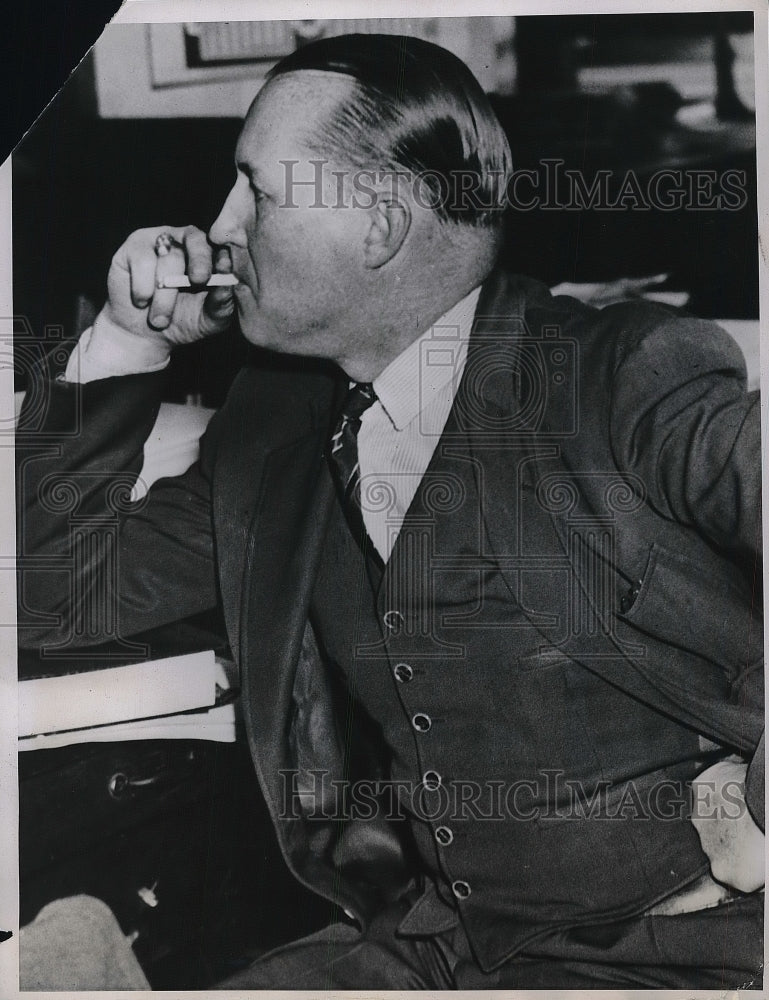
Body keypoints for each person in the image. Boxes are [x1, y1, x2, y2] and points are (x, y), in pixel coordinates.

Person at [16, 33, 764, 989]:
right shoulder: (277, 425)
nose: (218, 225)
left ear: (375, 227)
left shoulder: (617, 373)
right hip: (428, 944)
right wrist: (124, 340)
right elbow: (53, 597)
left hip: (676, 954)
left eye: (258, 191)